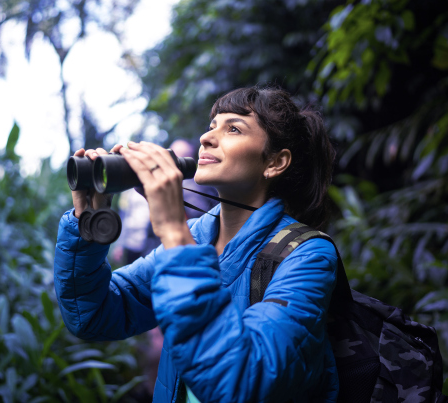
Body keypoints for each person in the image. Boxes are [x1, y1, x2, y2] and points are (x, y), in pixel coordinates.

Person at [54, 86, 338, 402]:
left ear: (275, 162)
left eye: (233, 128)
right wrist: (88, 222)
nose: (206, 138)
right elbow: (93, 315)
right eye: (212, 125)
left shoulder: (307, 255)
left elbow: (242, 383)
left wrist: (174, 231)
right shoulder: (197, 236)